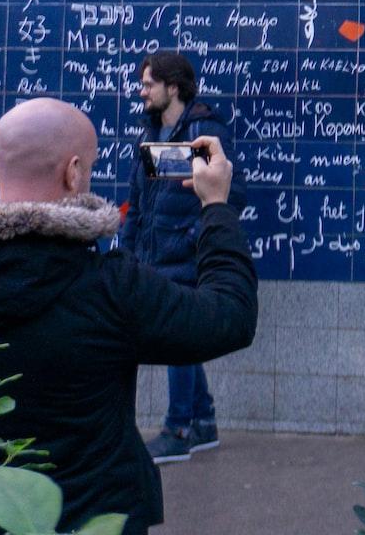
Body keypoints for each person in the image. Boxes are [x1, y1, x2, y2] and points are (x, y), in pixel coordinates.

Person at [0, 98, 256, 535]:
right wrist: (216, 207)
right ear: (73, 171)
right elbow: (229, 318)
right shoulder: (108, 287)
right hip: (96, 519)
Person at [124, 50, 238, 461]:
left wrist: (191, 238)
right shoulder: (150, 134)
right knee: (182, 340)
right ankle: (203, 421)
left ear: (173, 87)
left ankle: (178, 428)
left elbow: (226, 193)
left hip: (187, 257)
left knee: (177, 339)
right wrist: (128, 248)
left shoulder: (205, 132)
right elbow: (138, 199)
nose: (142, 90)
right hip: (155, 257)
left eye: (149, 83)